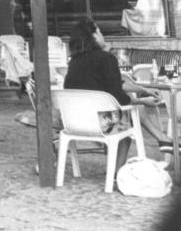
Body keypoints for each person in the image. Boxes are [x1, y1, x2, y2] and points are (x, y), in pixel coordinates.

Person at [65, 18, 170, 153]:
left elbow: (115, 84)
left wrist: (144, 90)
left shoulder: (74, 62)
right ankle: (162, 140)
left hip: (75, 122)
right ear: (94, 36)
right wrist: (141, 101)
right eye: (100, 31)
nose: (103, 36)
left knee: (130, 112)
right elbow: (118, 97)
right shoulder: (106, 58)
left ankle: (163, 140)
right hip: (100, 124)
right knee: (130, 118)